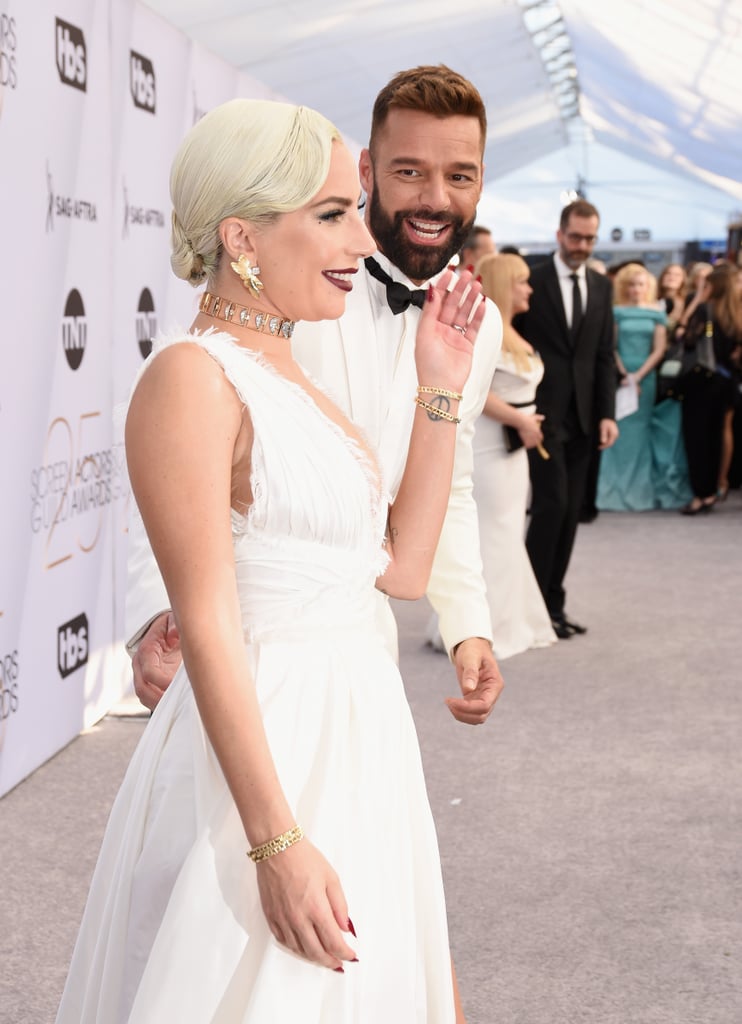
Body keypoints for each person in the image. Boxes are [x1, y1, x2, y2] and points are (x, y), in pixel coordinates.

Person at [56, 98, 486, 1024]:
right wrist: (275, 842)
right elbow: (208, 622)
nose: (360, 237)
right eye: (332, 213)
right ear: (243, 238)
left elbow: (403, 569)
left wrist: (439, 388)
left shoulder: (292, 371)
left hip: (362, 731)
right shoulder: (191, 376)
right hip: (266, 756)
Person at [128, 64, 504, 722]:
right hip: (239, 643)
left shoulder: (478, 322)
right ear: (367, 171)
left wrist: (467, 623)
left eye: (460, 175)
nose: (436, 199)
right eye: (410, 171)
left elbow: (449, 480)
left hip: (359, 646)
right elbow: (173, 451)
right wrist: (154, 612)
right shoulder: (287, 283)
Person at [514, 200, 618, 639]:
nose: (583, 245)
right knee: (551, 505)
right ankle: (533, 606)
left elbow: (601, 356)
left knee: (571, 511)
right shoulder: (531, 281)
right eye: (576, 237)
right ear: (560, 235)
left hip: (585, 418)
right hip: (540, 413)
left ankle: (554, 605)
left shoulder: (601, 285)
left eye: (590, 239)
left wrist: (607, 414)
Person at [470, 253, 556, 657]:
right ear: (505, 284)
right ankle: (488, 630)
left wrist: (524, 422)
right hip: (489, 445)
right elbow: (475, 391)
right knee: (494, 532)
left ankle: (508, 622)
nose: (529, 289)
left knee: (505, 531)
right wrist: (521, 421)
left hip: (513, 446)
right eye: (521, 281)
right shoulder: (484, 328)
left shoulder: (509, 330)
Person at [597, 263, 670, 510]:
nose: (636, 289)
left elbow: (659, 350)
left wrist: (638, 376)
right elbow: (612, 346)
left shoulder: (656, 313)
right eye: (631, 284)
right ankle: (609, 490)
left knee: (640, 431)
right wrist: (624, 375)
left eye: (640, 284)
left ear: (648, 286)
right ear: (623, 286)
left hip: (645, 377)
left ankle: (639, 491)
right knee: (619, 429)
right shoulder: (617, 312)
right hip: (619, 375)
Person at [678, 264, 742, 514]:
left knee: (697, 439)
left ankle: (701, 494)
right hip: (728, 383)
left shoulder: (705, 310)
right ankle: (719, 486)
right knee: (720, 434)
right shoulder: (736, 314)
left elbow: (686, 335)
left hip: (702, 383)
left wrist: (697, 301)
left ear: (711, 286)